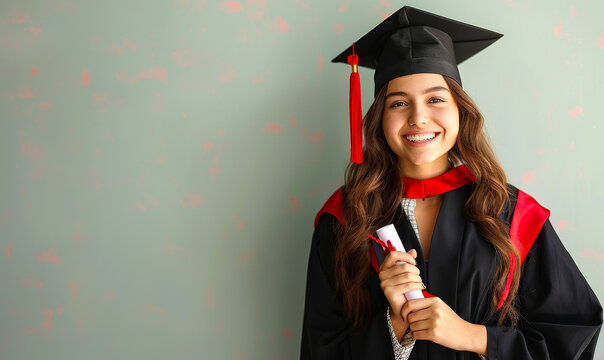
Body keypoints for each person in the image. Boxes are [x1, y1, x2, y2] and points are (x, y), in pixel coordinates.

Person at [300, 6, 602, 360]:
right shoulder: (344, 220)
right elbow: (319, 350)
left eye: (435, 99)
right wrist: (395, 330)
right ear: (380, 118)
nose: (418, 117)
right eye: (399, 103)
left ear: (461, 111)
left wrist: (475, 338)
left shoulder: (513, 215)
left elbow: (572, 337)